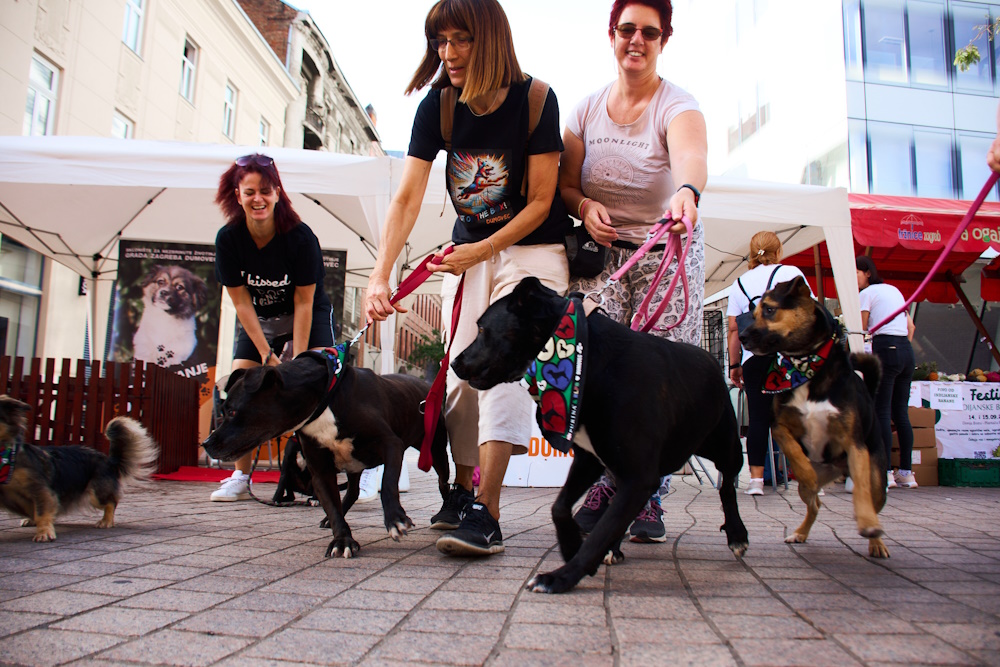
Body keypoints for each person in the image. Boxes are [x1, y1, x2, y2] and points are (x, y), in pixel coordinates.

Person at [365, 0, 570, 557]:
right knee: (460, 377)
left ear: (491, 40)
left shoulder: (536, 100)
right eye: (440, 41)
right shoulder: (440, 105)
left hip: (534, 250)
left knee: (500, 366)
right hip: (471, 254)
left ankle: (490, 512)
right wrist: (379, 276)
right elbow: (407, 196)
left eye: (461, 40)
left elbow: (542, 200)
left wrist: (482, 246)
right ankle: (462, 489)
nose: (448, 54)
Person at [560, 0, 707, 543]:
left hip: (665, 245)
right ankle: (606, 480)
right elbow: (566, 183)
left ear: (663, 39)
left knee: (657, 374)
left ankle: (648, 494)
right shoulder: (585, 109)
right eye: (627, 30)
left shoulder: (678, 105)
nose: (636, 40)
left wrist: (687, 192)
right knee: (595, 365)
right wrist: (582, 207)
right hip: (603, 254)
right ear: (612, 35)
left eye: (649, 31)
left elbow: (692, 160)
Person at [211, 154, 335, 501]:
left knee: (319, 385)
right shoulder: (228, 240)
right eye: (249, 192)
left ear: (278, 193)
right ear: (237, 195)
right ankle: (240, 475)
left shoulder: (300, 237)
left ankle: (323, 475)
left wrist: (295, 364)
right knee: (241, 387)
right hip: (259, 320)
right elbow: (240, 303)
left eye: (265, 191)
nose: (258, 199)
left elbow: (304, 302)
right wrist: (266, 353)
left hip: (305, 314)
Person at [727, 232, 810, 495]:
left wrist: (734, 365)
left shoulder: (739, 283)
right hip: (790, 357)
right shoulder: (792, 273)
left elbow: (732, 329)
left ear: (752, 252)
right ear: (779, 250)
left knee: (759, 418)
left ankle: (755, 481)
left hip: (755, 357)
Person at [857, 255, 918, 489]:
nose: (855, 279)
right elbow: (911, 327)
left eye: (857, 273)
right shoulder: (894, 290)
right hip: (906, 350)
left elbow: (860, 330)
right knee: (901, 413)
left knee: (881, 410)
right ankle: (906, 473)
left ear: (868, 273)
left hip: (887, 348)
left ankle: (885, 473)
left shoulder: (866, 294)